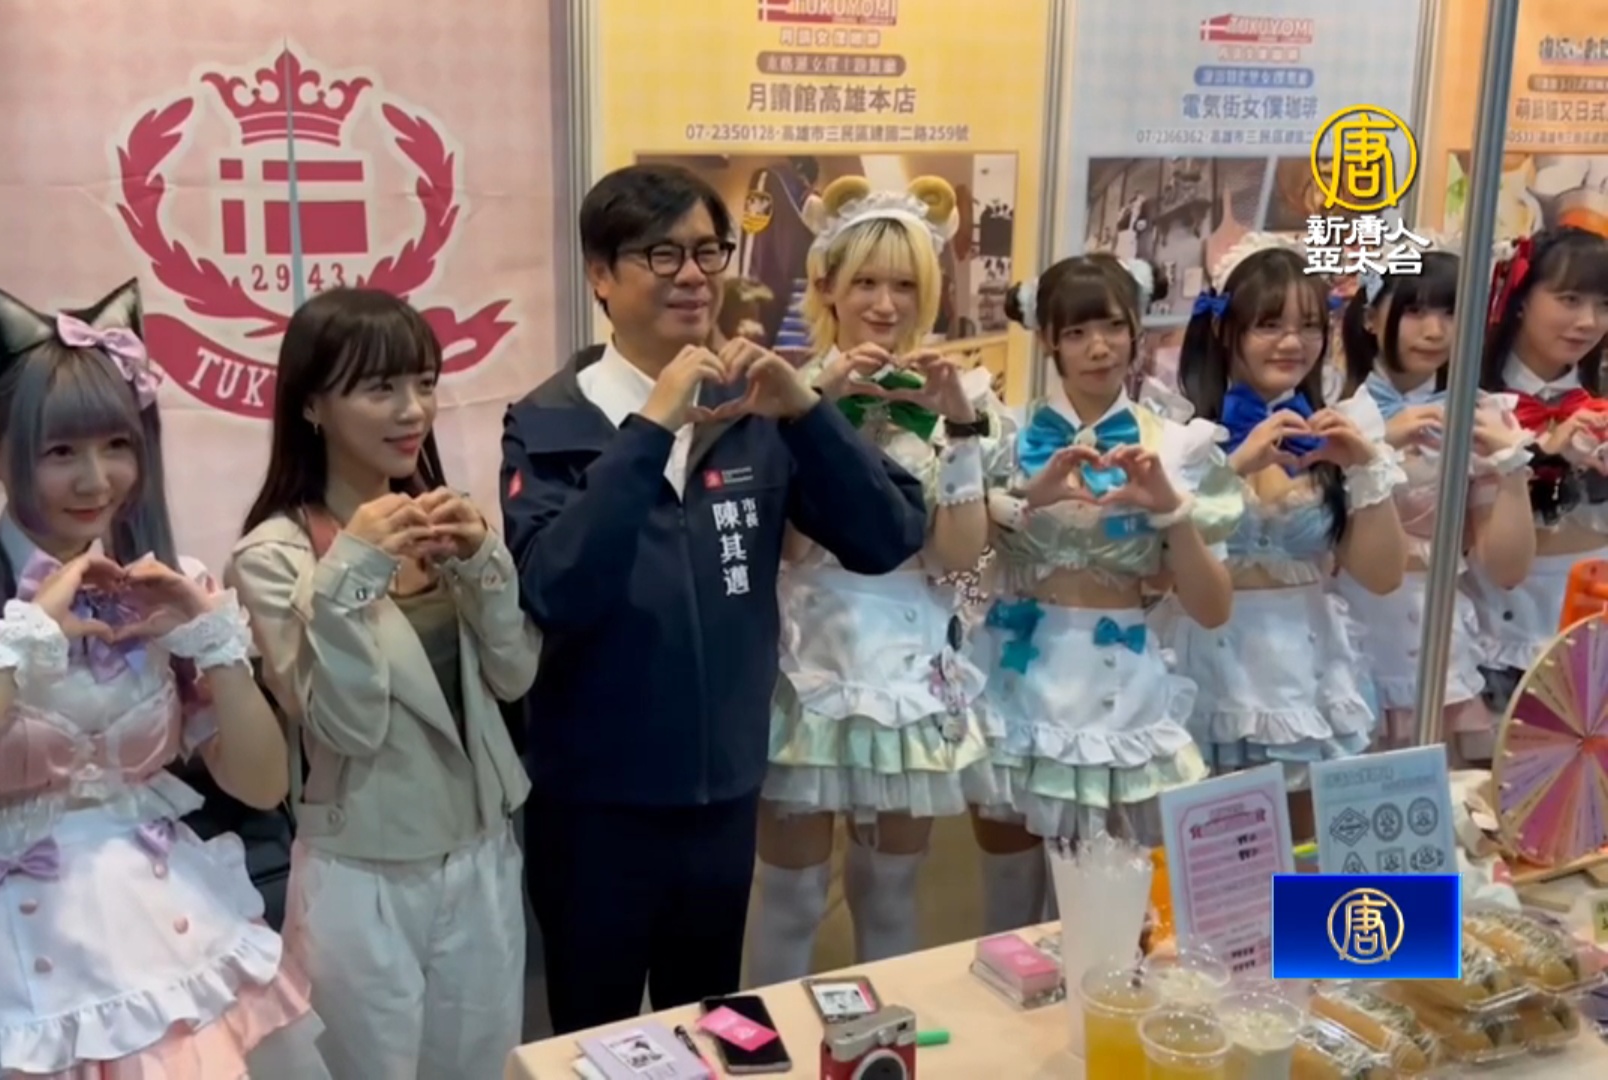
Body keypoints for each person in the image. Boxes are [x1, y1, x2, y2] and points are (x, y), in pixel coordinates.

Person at [0, 281, 327, 1079]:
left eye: (117, 445)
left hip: (166, 939)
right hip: (3, 969)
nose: (98, 481)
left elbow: (263, 780)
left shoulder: (165, 585)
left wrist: (212, 642)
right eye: (59, 452)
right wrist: (18, 643)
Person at [501, 163, 928, 1033]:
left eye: (708, 251)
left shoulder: (756, 408)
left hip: (723, 795)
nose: (693, 275)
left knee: (713, 1028)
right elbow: (557, 589)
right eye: (662, 255)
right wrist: (651, 426)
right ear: (600, 275)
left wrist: (807, 410)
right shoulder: (548, 420)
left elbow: (887, 536)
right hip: (593, 804)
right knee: (596, 1035)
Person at [231, 288, 534, 1079]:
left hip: (482, 847)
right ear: (312, 407)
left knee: (479, 1065)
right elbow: (347, 725)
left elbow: (514, 675)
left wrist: (485, 561)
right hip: (364, 866)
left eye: (424, 383)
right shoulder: (275, 556)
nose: (412, 410)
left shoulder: (441, 520)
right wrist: (352, 569)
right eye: (380, 388)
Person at [745, 175, 998, 985]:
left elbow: (957, 557)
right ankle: (769, 1049)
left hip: (906, 672)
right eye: (866, 283)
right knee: (788, 897)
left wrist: (961, 426)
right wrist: (816, 411)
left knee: (889, 893)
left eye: (905, 285)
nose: (886, 304)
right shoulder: (786, 391)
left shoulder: (965, 399)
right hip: (806, 664)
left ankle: (885, 1044)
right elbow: (782, 548)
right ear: (827, 286)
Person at [969, 253, 1240, 932]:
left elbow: (1212, 608)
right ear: (1047, 339)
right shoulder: (1002, 436)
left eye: (1113, 327)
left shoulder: (1176, 446)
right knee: (1006, 902)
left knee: (1108, 906)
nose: (1098, 347)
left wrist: (1171, 511)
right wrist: (1023, 500)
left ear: (1136, 331)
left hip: (1123, 686)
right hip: (1013, 674)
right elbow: (953, 558)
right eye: (1077, 331)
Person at [1166, 235, 1405, 842]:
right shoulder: (1180, 434)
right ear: (1224, 330)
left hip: (1306, 669)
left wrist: (1365, 467)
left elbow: (1381, 575)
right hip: (1204, 661)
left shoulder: (1341, 429)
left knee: (1305, 853)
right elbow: (1158, 567)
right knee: (1210, 861)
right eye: (1269, 324)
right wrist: (1229, 469)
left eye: (1309, 325)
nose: (1292, 342)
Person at [1335, 252, 1534, 763]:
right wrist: (1376, 443)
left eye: (1451, 313)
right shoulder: (1335, 416)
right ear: (1371, 317)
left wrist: (1511, 467)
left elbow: (1507, 568)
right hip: (1346, 630)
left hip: (1438, 633)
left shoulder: (1479, 414)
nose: (1435, 330)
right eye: (1416, 311)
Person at [1469, 228, 1608, 708]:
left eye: (1604, 305)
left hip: (1595, 639)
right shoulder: (1474, 405)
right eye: (1569, 299)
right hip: (1498, 648)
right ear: (1521, 298)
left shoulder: (1598, 404)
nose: (1588, 322)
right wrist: (1542, 454)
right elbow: (1499, 565)